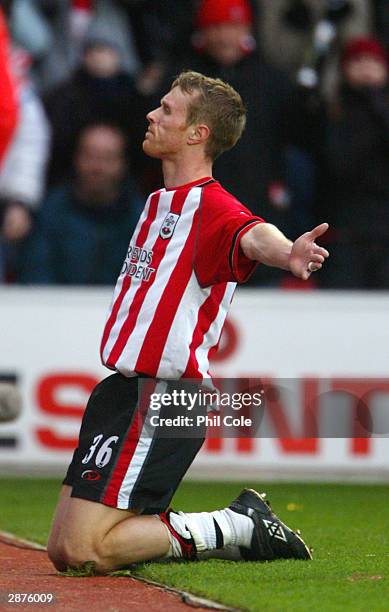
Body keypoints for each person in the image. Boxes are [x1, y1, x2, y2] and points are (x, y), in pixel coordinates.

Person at [47, 71, 329, 573]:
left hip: (168, 395)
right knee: (64, 550)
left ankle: (238, 524)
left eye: (168, 110)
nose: (153, 115)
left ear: (198, 134)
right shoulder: (158, 201)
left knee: (87, 550)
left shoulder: (213, 205)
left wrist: (289, 252)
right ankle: (228, 526)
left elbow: (252, 234)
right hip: (123, 392)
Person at [19, 123, 143, 285]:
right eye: (90, 156)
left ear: (123, 164)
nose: (97, 167)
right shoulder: (49, 213)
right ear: (76, 159)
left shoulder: (143, 218)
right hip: (54, 307)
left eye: (108, 158)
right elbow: (35, 274)